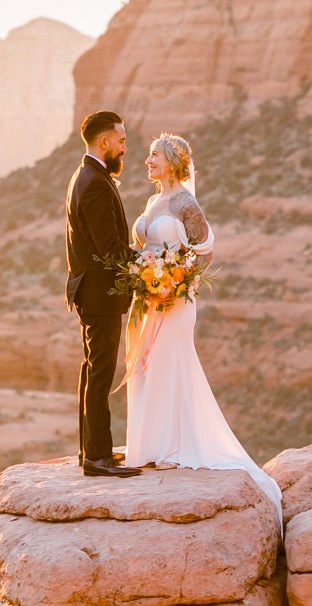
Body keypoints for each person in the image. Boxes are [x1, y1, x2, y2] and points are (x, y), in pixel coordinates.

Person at [120, 133, 283, 516]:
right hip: (148, 297)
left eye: (154, 156)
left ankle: (174, 447)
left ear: (173, 163)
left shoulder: (185, 203)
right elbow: (147, 246)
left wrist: (177, 282)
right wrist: (147, 277)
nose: (147, 161)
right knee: (146, 366)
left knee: (169, 364)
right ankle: (149, 446)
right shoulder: (153, 200)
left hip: (175, 302)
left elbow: (205, 252)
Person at [63, 110, 140, 478]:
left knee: (93, 369)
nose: (124, 148)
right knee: (101, 372)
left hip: (92, 293)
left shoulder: (87, 175)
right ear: (105, 142)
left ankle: (91, 451)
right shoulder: (93, 181)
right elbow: (109, 248)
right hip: (99, 294)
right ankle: (97, 458)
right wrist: (148, 261)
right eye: (121, 141)